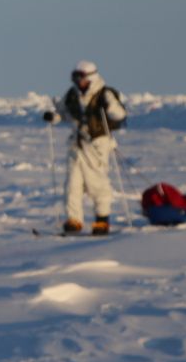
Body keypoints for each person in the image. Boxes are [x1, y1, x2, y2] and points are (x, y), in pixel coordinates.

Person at [43, 59, 127, 234]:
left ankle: (102, 220)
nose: (78, 81)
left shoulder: (104, 93)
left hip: (97, 144)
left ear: (91, 76)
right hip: (77, 144)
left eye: (81, 77)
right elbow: (63, 113)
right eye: (75, 77)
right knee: (72, 184)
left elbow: (118, 114)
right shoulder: (72, 95)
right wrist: (53, 117)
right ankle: (74, 221)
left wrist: (109, 108)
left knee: (97, 183)